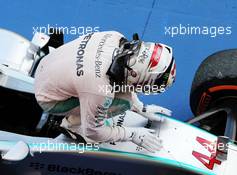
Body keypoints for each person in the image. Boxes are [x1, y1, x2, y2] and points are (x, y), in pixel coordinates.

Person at [34, 31, 176, 153]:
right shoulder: (99, 89)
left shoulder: (115, 37)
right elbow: (93, 131)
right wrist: (132, 134)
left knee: (116, 83)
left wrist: (140, 108)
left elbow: (122, 74)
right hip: (49, 99)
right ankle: (72, 125)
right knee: (124, 102)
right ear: (136, 74)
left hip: (48, 63)